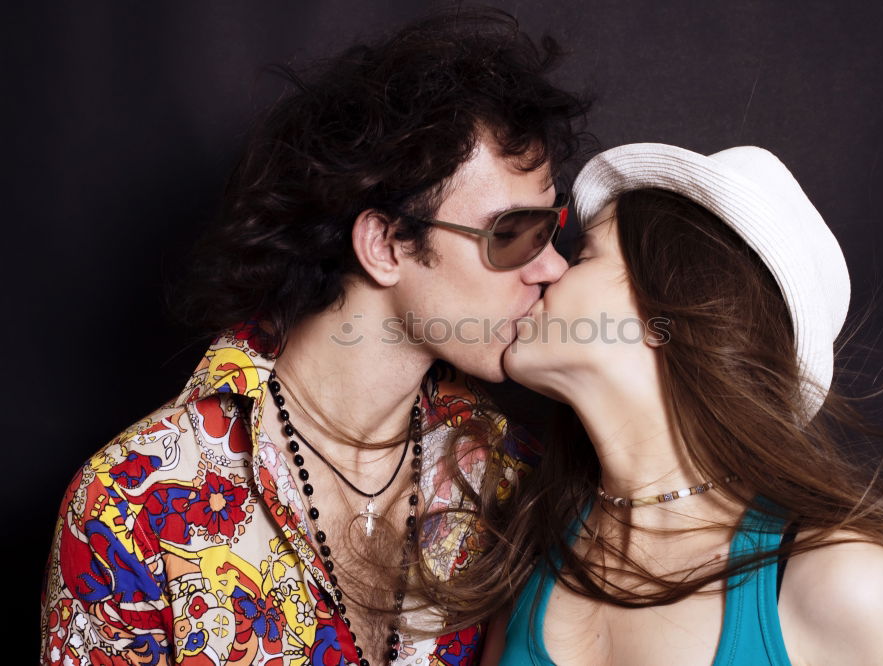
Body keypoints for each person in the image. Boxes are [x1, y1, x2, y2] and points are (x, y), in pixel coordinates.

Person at [41, 9, 588, 666]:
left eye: (549, 227)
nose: (552, 265)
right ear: (385, 245)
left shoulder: (513, 480)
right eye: (512, 234)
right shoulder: (131, 508)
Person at [485, 143, 883, 665]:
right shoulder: (527, 542)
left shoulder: (846, 582)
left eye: (583, 254)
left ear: (673, 310)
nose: (547, 271)